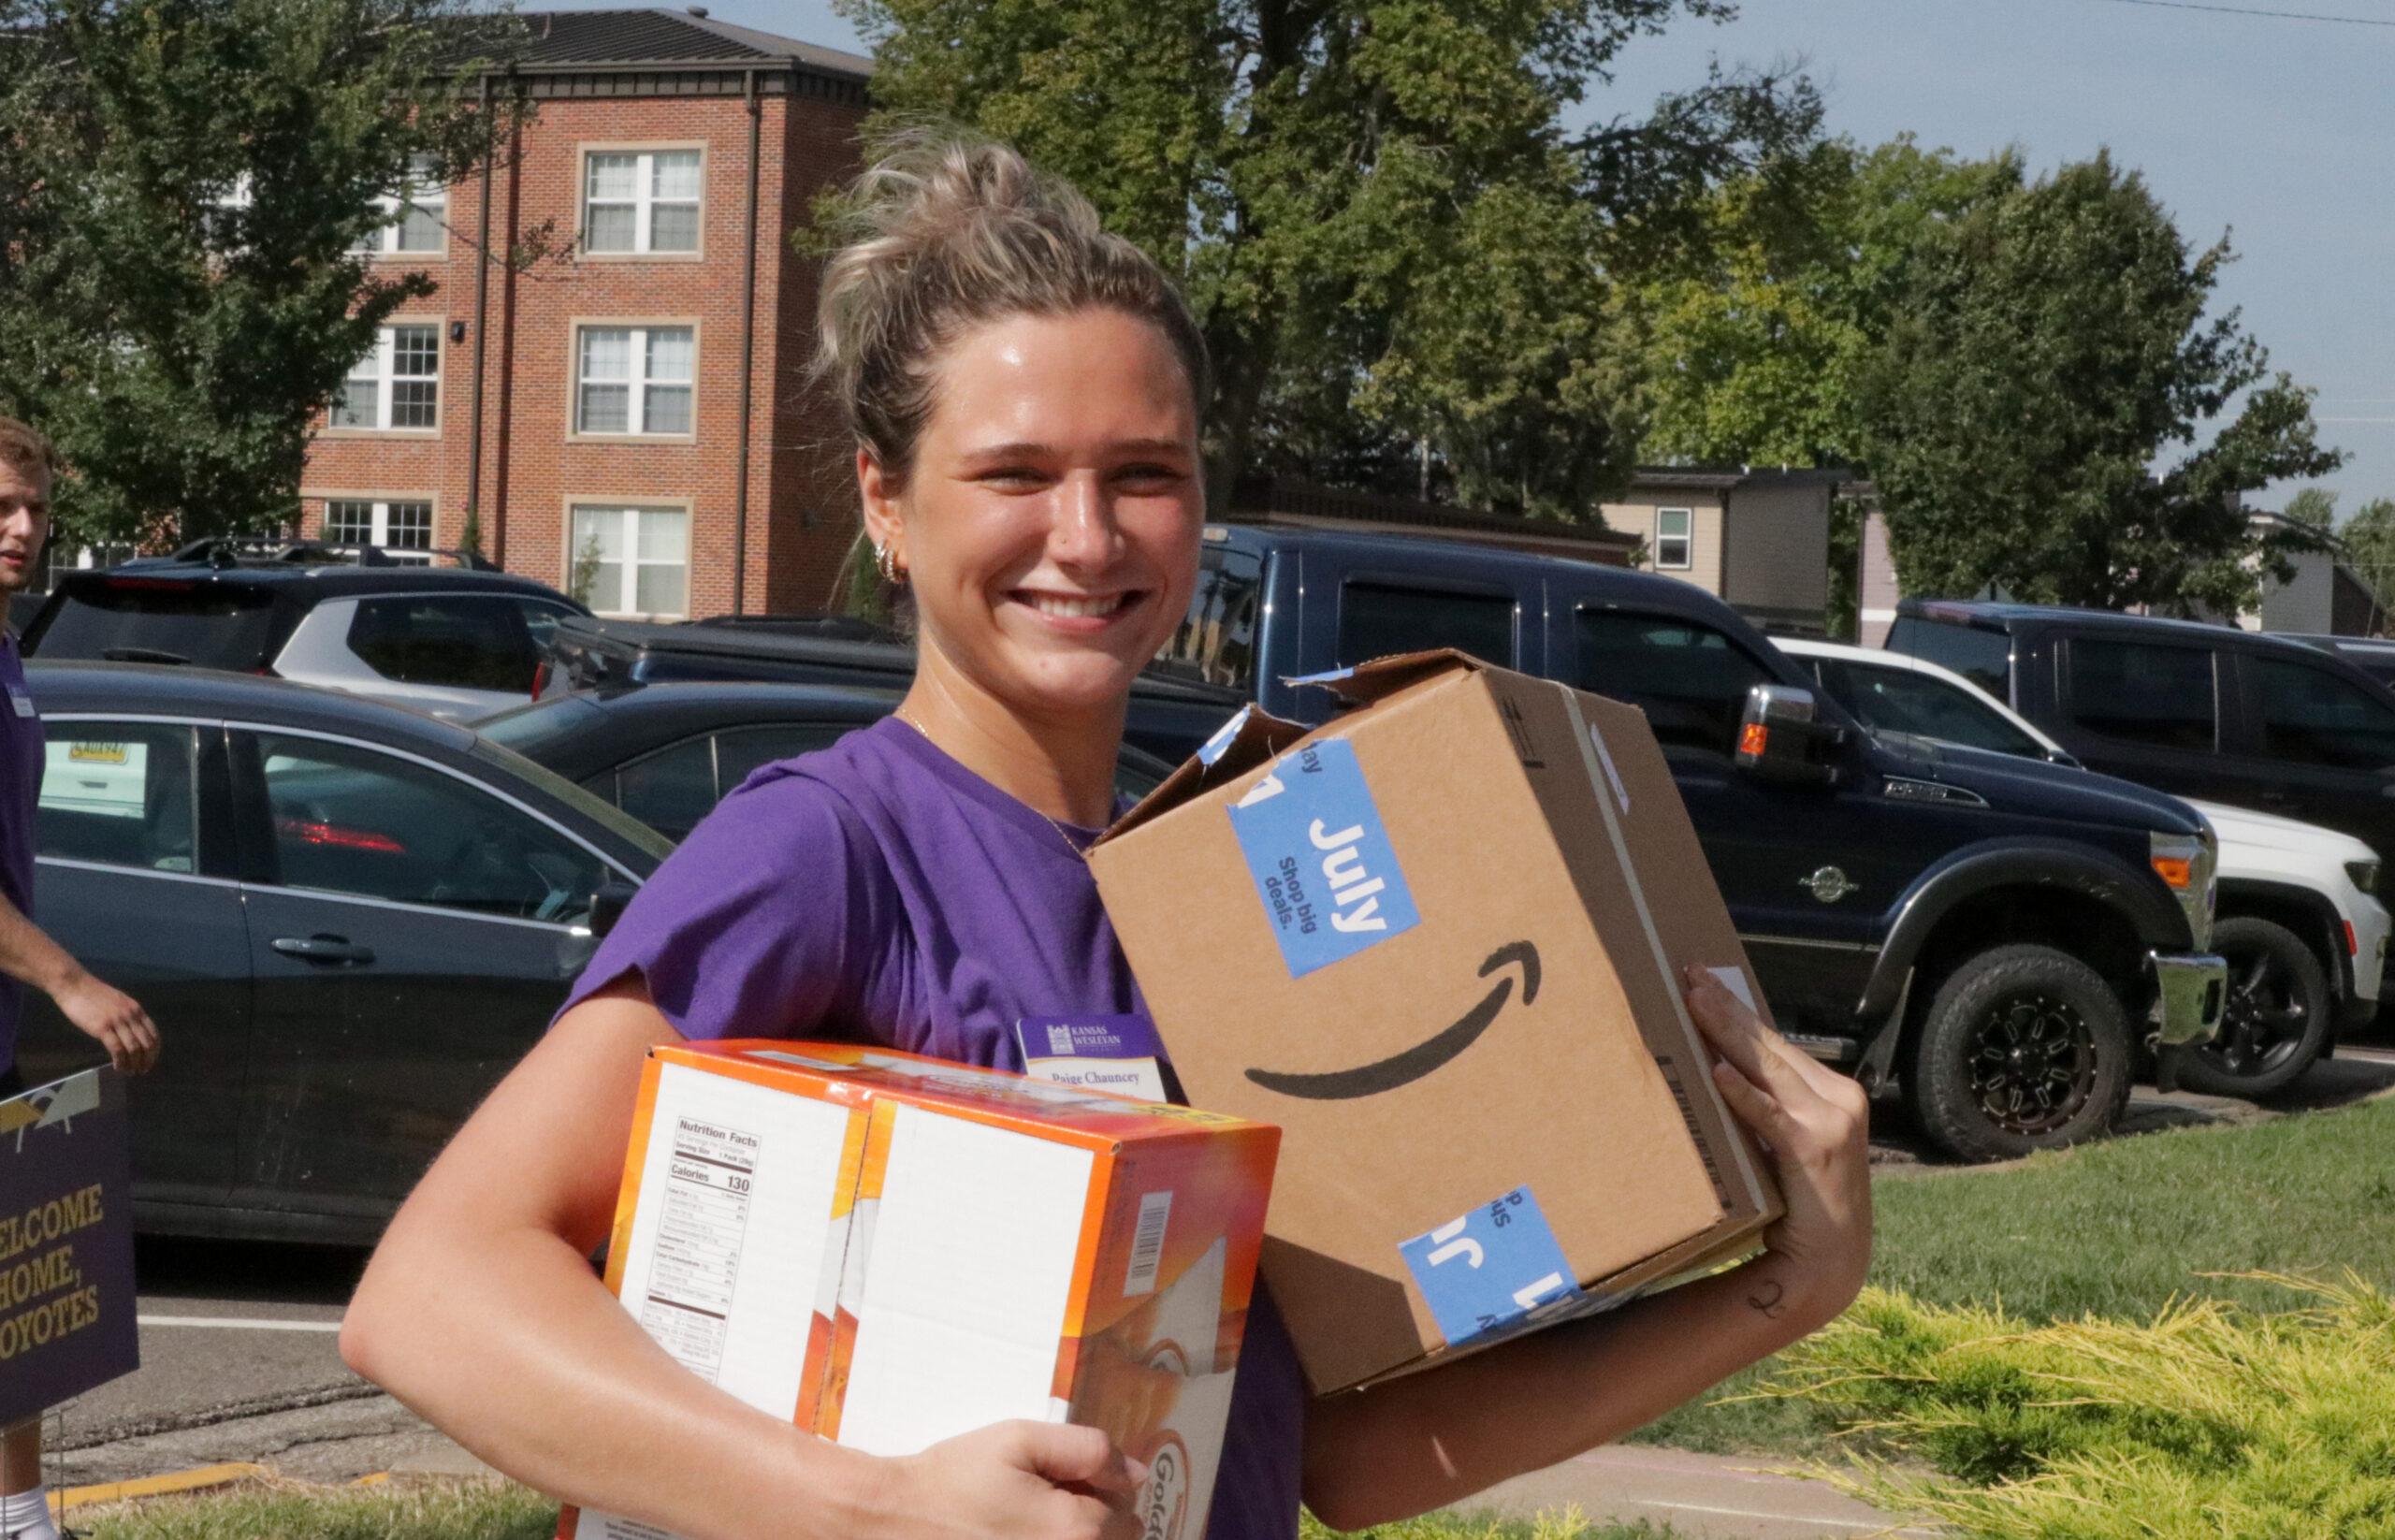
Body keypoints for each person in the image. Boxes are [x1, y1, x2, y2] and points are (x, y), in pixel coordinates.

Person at [341, 140, 1871, 1540]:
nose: (1087, 537)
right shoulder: (829, 849)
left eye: (1144, 474)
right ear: (887, 502)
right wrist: (871, 1506)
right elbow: (429, 1299)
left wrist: (1787, 1286)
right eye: (1015, 475)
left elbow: (1335, 1454)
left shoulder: (1222, 886)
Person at [0, 419, 163, 1540]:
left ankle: (20, 1511)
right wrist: (68, 981)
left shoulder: (7, 654)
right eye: (1, 508)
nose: (23, 529)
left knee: (19, 1277)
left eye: (37, 510)